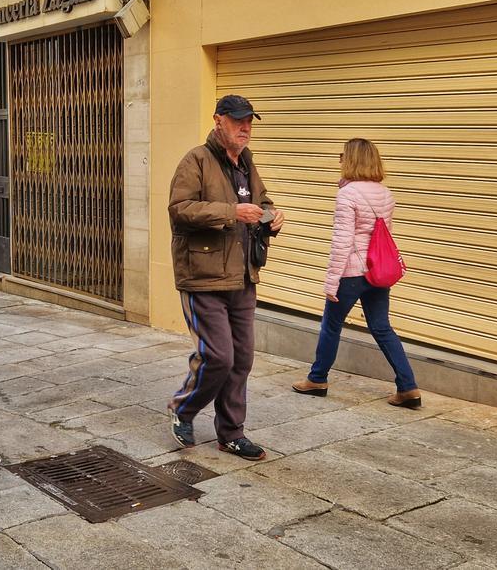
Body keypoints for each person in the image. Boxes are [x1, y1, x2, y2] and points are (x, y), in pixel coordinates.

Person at [166, 94, 285, 461]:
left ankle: (231, 433)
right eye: (237, 121)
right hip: (203, 275)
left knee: (242, 358)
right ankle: (183, 409)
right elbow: (179, 209)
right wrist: (232, 212)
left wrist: (272, 216)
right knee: (218, 356)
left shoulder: (246, 163)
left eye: (249, 121)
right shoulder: (196, 160)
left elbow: (262, 203)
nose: (245, 128)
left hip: (243, 275)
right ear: (219, 121)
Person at [292, 138, 421, 408]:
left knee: (331, 326)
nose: (339, 160)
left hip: (351, 273)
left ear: (351, 159)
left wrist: (331, 281)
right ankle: (408, 386)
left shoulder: (347, 195)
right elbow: (383, 237)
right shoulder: (385, 194)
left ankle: (317, 379)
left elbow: (342, 241)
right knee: (382, 327)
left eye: (342, 155)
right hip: (377, 272)